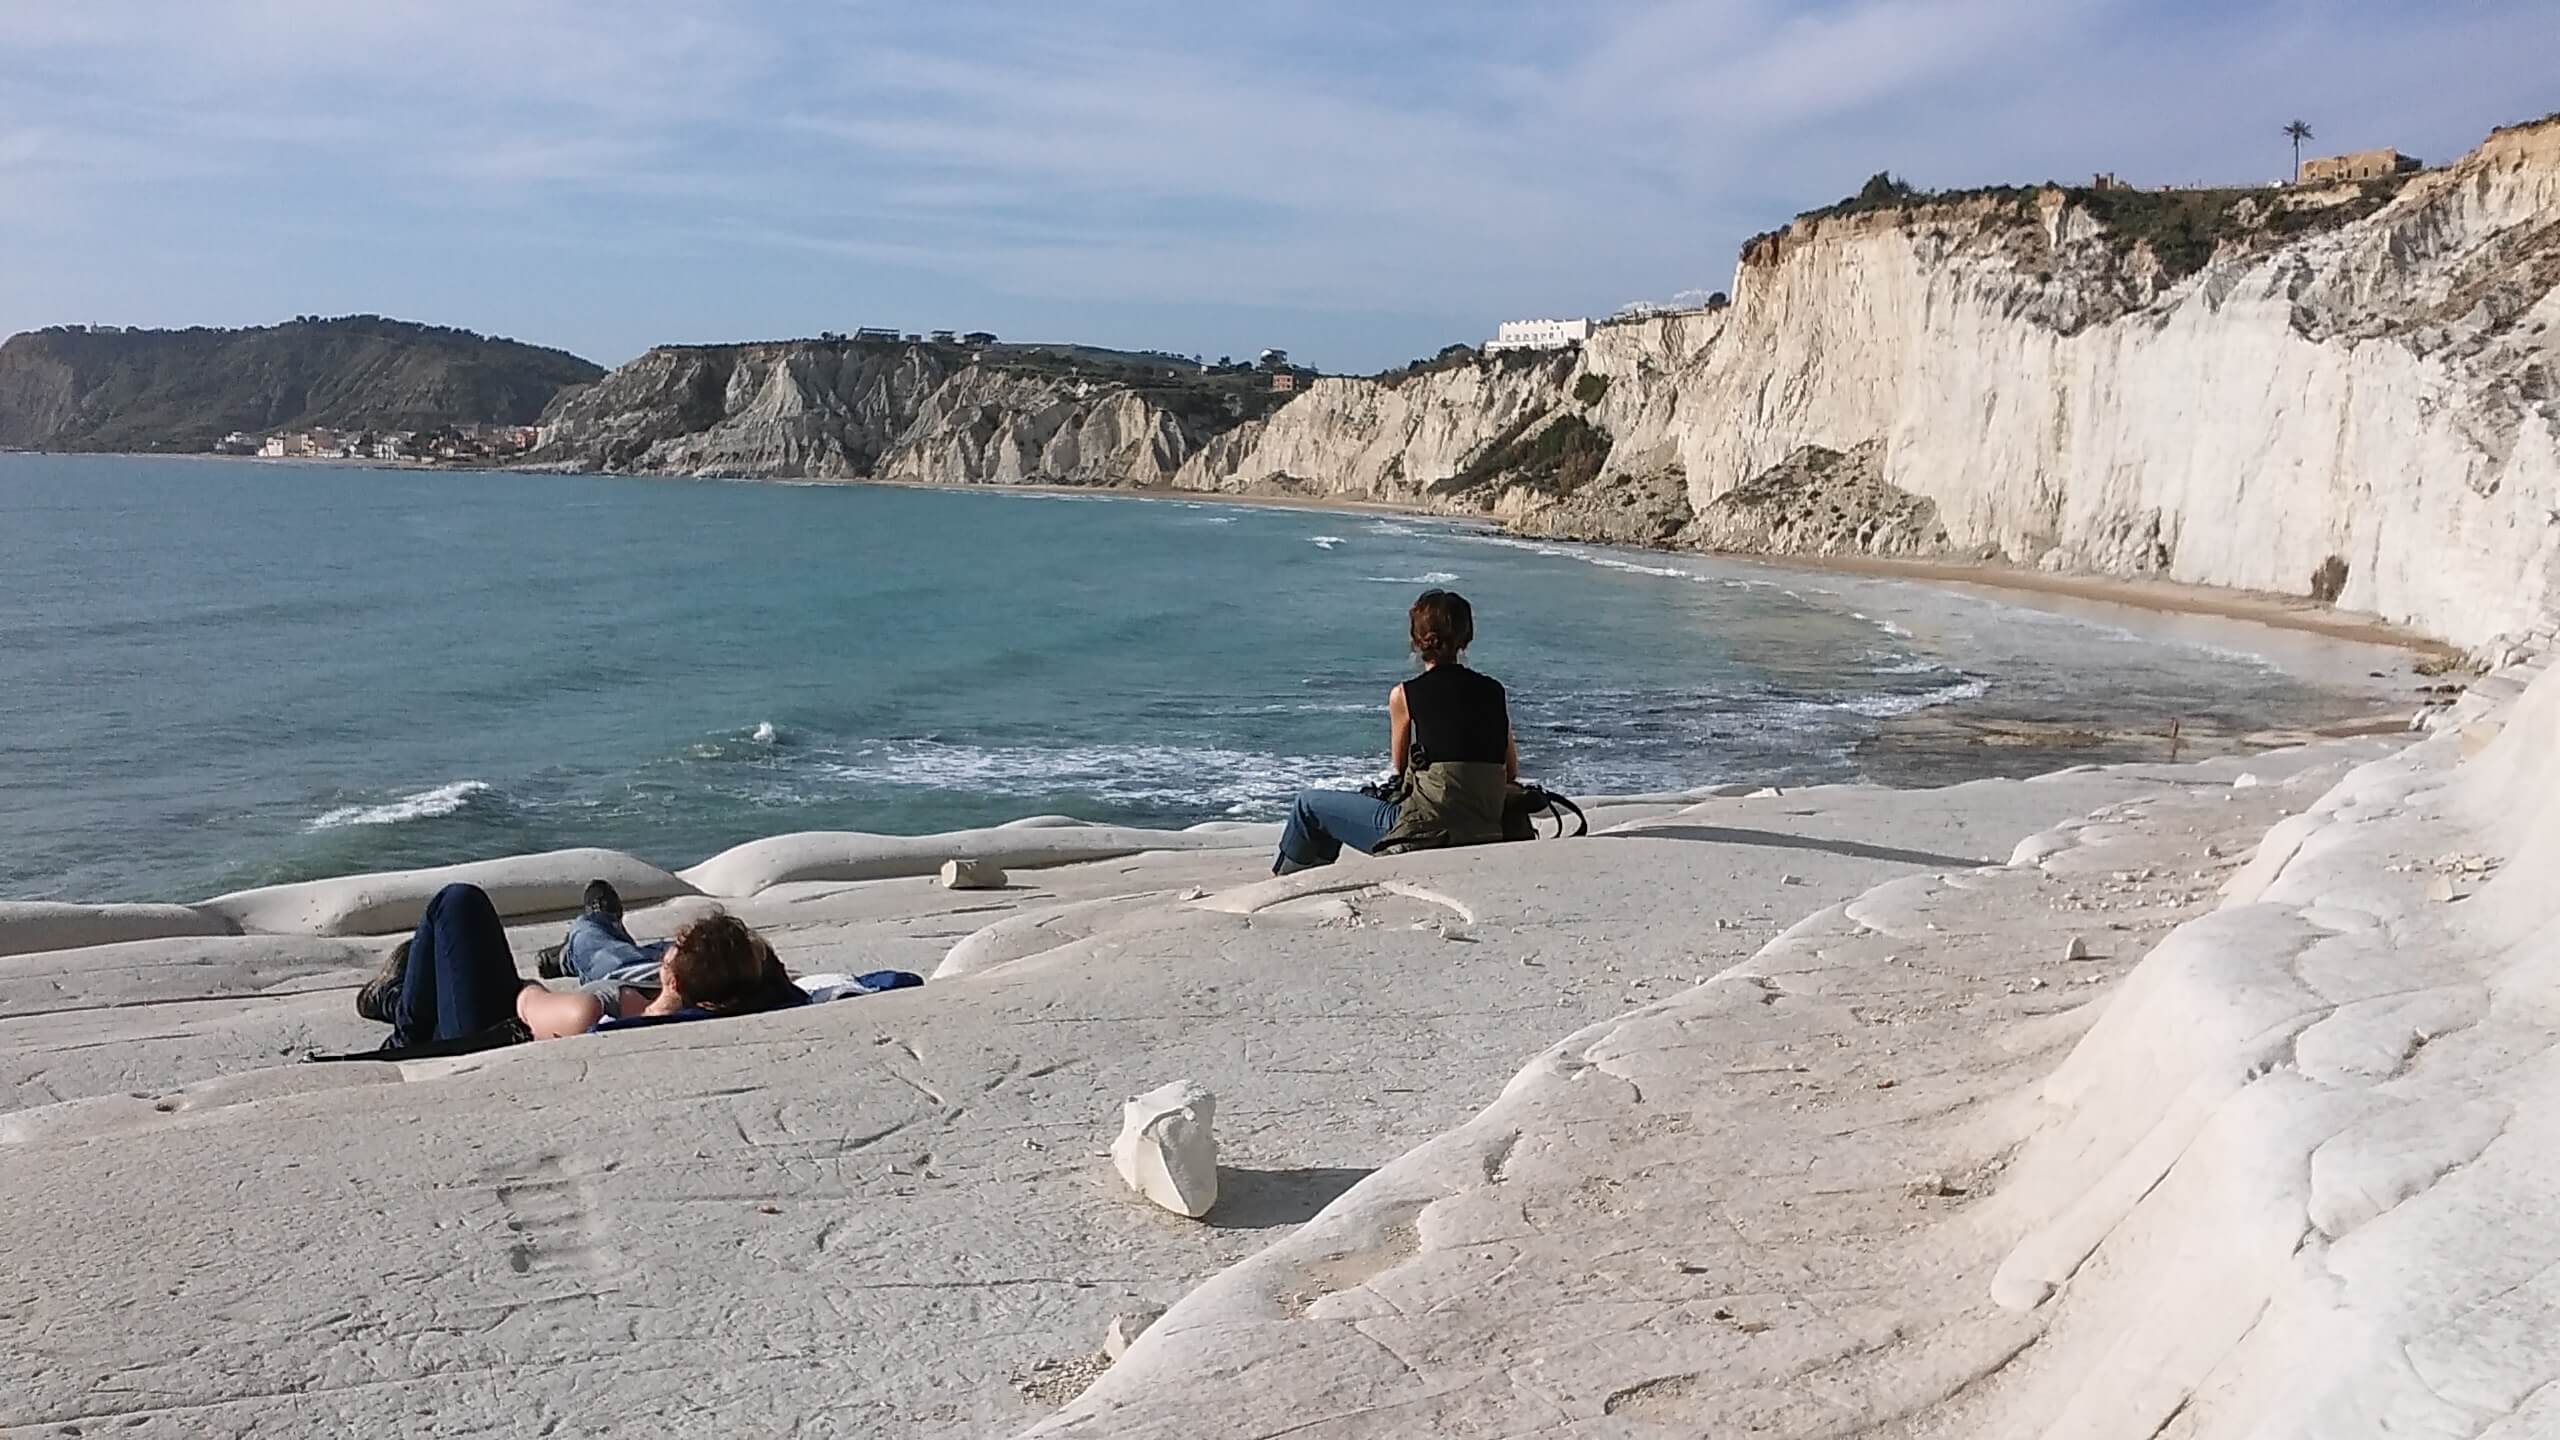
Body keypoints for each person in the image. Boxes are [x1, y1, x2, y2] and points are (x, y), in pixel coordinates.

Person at [355, 882, 803, 1051]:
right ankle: (398, 993)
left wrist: (527, 987)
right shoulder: (720, 997)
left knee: (457, 903)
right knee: (437, 954)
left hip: (491, 1025)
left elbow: (528, 1005)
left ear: (673, 974)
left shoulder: (593, 1011)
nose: (665, 948)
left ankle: (404, 1024)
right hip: (525, 1010)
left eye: (670, 948)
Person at [1274, 588, 1518, 874]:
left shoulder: (1405, 694)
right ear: (1466, 639)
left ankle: (1289, 882)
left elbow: (1401, 769)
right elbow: (1510, 771)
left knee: (1309, 806)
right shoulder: (1493, 691)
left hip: (1426, 832)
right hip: (1485, 826)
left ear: (1416, 641)